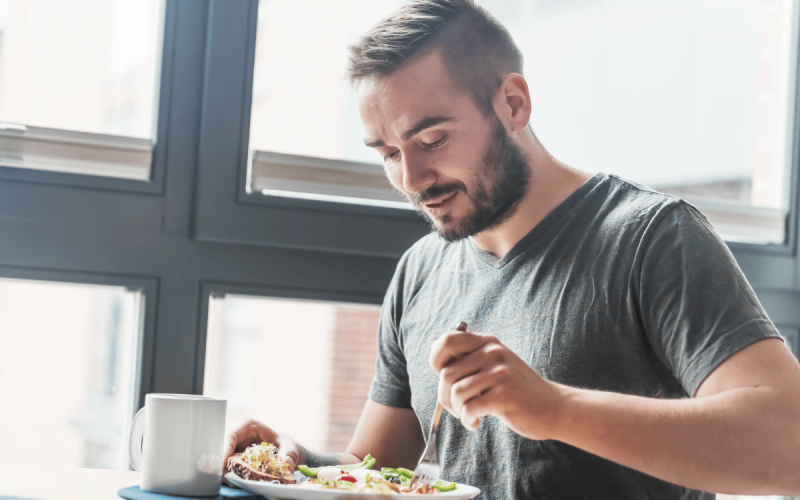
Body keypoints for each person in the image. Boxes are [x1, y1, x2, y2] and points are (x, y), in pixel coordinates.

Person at [223, 1, 800, 498]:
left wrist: (555, 409)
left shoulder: (653, 238)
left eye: (432, 140)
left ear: (514, 103)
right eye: (389, 153)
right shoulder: (421, 270)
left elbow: (788, 445)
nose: (412, 178)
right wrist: (297, 463)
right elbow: (384, 470)